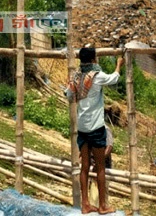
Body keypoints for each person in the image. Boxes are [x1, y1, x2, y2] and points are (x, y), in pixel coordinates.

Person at [67, 47, 122, 215]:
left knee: (84, 166)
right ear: (93, 60)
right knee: (100, 168)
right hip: (96, 128)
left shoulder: (77, 77)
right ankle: (103, 206)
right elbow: (114, 78)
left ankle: (85, 204)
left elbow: (69, 95)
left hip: (82, 127)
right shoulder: (97, 77)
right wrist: (119, 64)